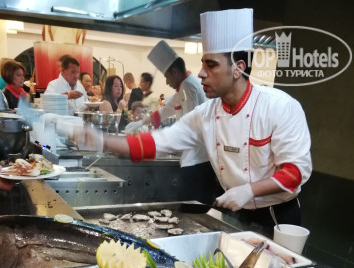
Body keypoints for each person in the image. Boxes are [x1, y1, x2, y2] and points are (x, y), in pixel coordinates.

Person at [72, 8, 311, 235]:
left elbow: (295, 171)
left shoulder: (280, 107)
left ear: (238, 68)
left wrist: (249, 190)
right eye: (203, 63)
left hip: (276, 216)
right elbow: (157, 142)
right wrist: (102, 140)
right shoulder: (206, 114)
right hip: (234, 211)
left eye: (211, 65)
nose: (201, 73)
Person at [126, 41, 214, 203]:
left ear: (175, 72)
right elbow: (166, 110)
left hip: (197, 160)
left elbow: (190, 125)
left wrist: (163, 140)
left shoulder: (189, 87)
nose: (167, 82)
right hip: (194, 159)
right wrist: (141, 123)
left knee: (192, 206)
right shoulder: (184, 86)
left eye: (167, 77)